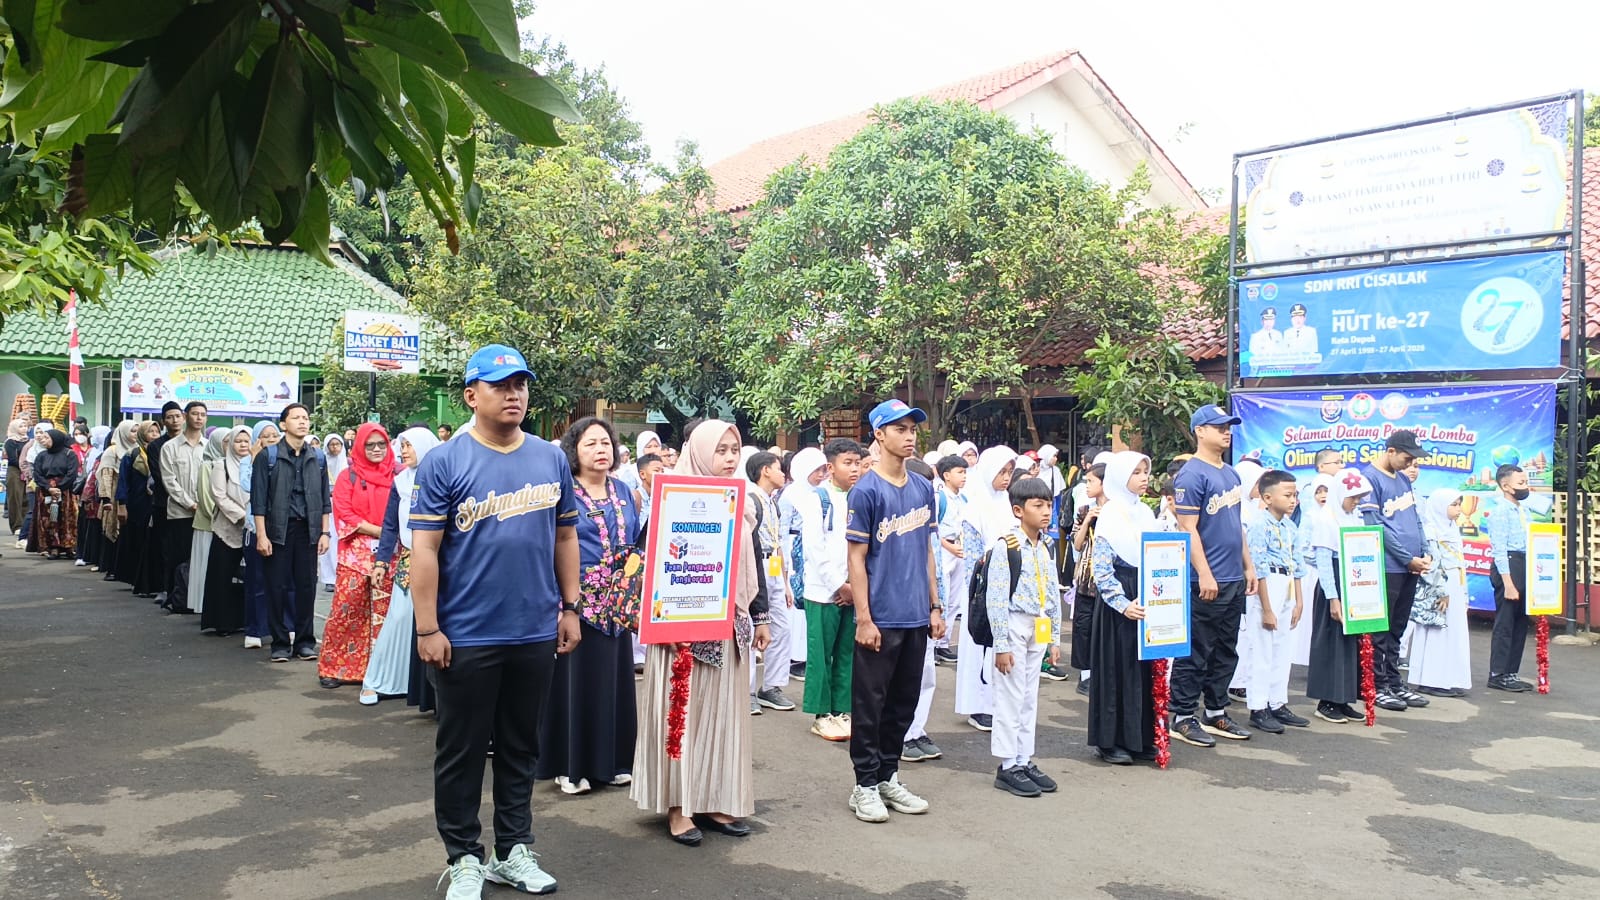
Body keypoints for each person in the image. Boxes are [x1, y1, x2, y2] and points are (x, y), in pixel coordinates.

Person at [410, 346, 579, 896]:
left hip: (533, 629)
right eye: (501, 385)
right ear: (471, 395)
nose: (514, 394)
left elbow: (565, 535)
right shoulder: (445, 460)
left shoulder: (550, 458)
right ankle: (463, 856)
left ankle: (513, 849)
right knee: (460, 749)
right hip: (465, 635)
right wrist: (427, 627)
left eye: (521, 384)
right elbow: (426, 550)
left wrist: (570, 607)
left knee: (520, 746)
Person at [632, 419, 770, 848]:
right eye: (721, 450)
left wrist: (760, 615)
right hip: (681, 631)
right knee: (684, 718)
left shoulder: (745, 503)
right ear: (698, 451)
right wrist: (663, 621)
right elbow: (645, 561)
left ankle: (711, 799)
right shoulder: (671, 498)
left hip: (730, 625)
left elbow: (755, 563)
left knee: (723, 717)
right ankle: (678, 806)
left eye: (735, 450)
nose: (730, 459)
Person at [844, 400, 942, 823]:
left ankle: (888, 775)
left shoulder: (923, 489)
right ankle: (864, 784)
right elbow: (856, 558)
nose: (910, 435)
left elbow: (928, 552)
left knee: (903, 705)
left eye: (913, 428)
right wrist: (864, 618)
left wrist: (936, 606)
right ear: (879, 435)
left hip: (916, 614)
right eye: (899, 428)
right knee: (870, 705)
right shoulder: (865, 490)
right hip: (880, 617)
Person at [537, 416, 641, 794]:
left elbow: (637, 539)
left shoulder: (624, 491)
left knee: (614, 684)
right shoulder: (563, 490)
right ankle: (571, 766)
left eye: (605, 443)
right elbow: (553, 543)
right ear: (574, 451)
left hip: (618, 604)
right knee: (575, 684)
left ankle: (613, 761)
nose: (601, 450)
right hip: (577, 602)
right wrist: (562, 602)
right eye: (590, 444)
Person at [1170, 404, 1258, 747]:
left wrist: (1249, 566)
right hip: (1205, 580)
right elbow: (1187, 528)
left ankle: (1216, 710)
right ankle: (1182, 715)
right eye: (1219, 426)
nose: (1226, 431)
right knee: (1196, 650)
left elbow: (1237, 526)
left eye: (1229, 426)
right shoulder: (1192, 474)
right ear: (1200, 431)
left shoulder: (1232, 474)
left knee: (1226, 649)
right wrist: (1204, 573)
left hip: (1234, 577)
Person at [984, 476, 1062, 794]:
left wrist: (1054, 637)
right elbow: (996, 598)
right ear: (1018, 510)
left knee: (1029, 697)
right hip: (1015, 624)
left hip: (1038, 625)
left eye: (1048, 505)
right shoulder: (1007, 546)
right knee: (1010, 697)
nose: (1046, 512)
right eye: (1038, 505)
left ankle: (1023, 757)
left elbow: (1053, 594)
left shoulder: (1045, 545)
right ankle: (1007, 765)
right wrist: (1001, 644)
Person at [1087, 451, 1161, 765]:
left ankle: (1140, 737)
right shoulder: (1111, 513)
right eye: (1137, 472)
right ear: (1120, 478)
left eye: (1146, 471)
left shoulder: (1145, 512)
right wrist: (1122, 604)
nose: (1144, 477)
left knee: (1142, 670)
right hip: (1119, 604)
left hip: (1145, 596)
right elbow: (1101, 570)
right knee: (1116, 670)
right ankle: (1111, 741)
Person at [363, 426, 443, 705]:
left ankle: (429, 690)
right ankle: (381, 680)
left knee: (436, 622)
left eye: (409, 445)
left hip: (443, 560)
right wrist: (382, 562)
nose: (403, 451)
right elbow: (390, 525)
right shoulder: (400, 482)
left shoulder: (444, 478)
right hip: (410, 559)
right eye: (403, 446)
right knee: (399, 618)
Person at [251, 403, 332, 663]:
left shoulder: (317, 457)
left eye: (305, 417)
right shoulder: (269, 456)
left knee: (307, 587)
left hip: (308, 530)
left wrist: (325, 532)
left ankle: (305, 642)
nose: (302, 422)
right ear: (284, 424)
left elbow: (324, 498)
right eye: (295, 417)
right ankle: (280, 643)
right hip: (278, 530)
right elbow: (259, 499)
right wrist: (261, 535)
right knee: (277, 586)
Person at [1358, 429, 1432, 711]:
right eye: (1407, 456)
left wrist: (1423, 551)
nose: (1411, 462)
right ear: (1390, 451)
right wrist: (1405, 557)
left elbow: (1415, 518)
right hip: (1387, 565)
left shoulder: (1402, 478)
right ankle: (1376, 686)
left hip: (1410, 564)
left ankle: (1393, 681)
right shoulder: (1370, 477)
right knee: (1380, 628)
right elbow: (1374, 525)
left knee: (1398, 628)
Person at [318, 423, 396, 688]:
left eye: (381, 444)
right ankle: (335, 669)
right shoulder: (347, 476)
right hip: (355, 554)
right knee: (346, 610)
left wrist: (389, 536)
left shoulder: (399, 475)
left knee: (385, 616)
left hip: (390, 555)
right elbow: (345, 513)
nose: (376, 450)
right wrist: (381, 530)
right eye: (369, 445)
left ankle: (380, 673)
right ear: (359, 447)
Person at [798, 438, 865, 742]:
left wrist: (855, 586)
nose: (854, 469)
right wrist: (840, 585)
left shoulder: (860, 497)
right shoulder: (817, 499)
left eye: (857, 463)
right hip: (823, 591)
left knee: (846, 652)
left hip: (854, 589)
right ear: (830, 467)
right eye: (847, 463)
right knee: (821, 653)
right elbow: (815, 548)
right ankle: (821, 713)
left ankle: (842, 710)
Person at [1242, 470, 1309, 734]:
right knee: (1262, 649)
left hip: (1288, 584)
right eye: (1288, 495)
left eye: (1295, 495)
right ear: (1267, 497)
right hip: (1267, 586)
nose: (1293, 500)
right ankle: (1258, 707)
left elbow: (1298, 564)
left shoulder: (1289, 526)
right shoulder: (1258, 524)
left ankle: (1277, 701)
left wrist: (1298, 601)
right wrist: (1267, 608)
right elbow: (1258, 567)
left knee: (1283, 648)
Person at [958, 446, 1018, 732]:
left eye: (1009, 472)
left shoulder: (1008, 503)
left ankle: (998, 703)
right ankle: (978, 705)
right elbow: (972, 556)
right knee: (980, 643)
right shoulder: (974, 506)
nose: (1005, 478)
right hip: (981, 586)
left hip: (1008, 582)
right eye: (1001, 472)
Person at [1306, 469, 1371, 723]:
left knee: (1348, 643)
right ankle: (1326, 701)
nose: (1356, 501)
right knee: (1330, 641)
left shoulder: (1353, 517)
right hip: (1333, 584)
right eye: (1353, 496)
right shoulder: (1326, 519)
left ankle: (1343, 698)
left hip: (1352, 582)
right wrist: (1333, 598)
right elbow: (1323, 561)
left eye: (1359, 497)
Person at [746, 450, 798, 715]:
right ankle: (749, 690)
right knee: (754, 629)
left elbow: (777, 543)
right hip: (755, 566)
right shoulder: (750, 500)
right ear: (765, 470)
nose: (783, 474)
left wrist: (785, 583)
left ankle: (772, 686)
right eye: (779, 468)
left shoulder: (772, 501)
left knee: (782, 627)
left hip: (774, 568)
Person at [1408, 489, 1470, 697]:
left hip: (1455, 582)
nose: (1458, 509)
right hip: (1439, 586)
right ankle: (1430, 680)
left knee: (1451, 632)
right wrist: (1442, 591)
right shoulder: (1431, 530)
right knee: (1436, 631)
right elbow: (1433, 562)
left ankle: (1446, 678)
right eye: (1454, 505)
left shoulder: (1451, 528)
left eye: (1459, 504)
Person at [780, 447, 827, 684]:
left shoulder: (821, 494)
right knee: (795, 605)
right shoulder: (790, 495)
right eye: (816, 470)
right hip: (793, 549)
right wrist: (785, 565)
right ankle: (794, 659)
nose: (820, 475)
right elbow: (782, 528)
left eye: (822, 470)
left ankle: (807, 657)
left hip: (813, 550)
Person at [200, 426, 253, 636]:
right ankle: (222, 622)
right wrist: (243, 516)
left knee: (250, 578)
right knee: (223, 576)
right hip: (227, 529)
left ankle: (247, 621)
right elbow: (219, 496)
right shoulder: (220, 465)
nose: (242, 445)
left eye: (246, 441)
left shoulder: (256, 464)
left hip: (254, 529)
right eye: (238, 441)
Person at [1486, 465, 1535, 692]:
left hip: (1524, 563)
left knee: (1520, 622)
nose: (1525, 487)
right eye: (1520, 483)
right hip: (1508, 565)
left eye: (1525, 482)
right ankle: (1497, 673)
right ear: (1506, 486)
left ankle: (1511, 672)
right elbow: (1499, 549)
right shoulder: (1500, 511)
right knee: (1505, 622)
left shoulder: (1523, 510)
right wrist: (1508, 583)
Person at [159, 401, 208, 613]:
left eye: (202, 415)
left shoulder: (208, 447)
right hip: (180, 512)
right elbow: (169, 482)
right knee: (178, 557)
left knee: (200, 558)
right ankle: (176, 598)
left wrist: (204, 505)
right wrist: (190, 504)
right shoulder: (170, 447)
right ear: (185, 416)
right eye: (194, 414)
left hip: (206, 514)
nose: (198, 418)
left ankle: (197, 600)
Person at [239, 421, 282, 649]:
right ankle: (254, 630)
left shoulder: (284, 459)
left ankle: (286, 628)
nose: (272, 439)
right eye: (266, 436)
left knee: (285, 583)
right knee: (256, 582)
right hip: (255, 529)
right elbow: (248, 485)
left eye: (275, 435)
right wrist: (255, 458)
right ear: (258, 440)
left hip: (281, 528)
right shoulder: (248, 460)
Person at [1069, 463, 1107, 696]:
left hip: (1108, 581)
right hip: (1086, 578)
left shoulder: (1119, 511)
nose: (1087, 485)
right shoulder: (1084, 510)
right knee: (1084, 627)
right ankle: (1085, 675)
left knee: (1105, 629)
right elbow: (1077, 543)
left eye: (1091, 481)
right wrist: (1087, 520)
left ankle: (1103, 673)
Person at [185, 428, 229, 618]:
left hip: (227, 527)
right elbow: (206, 498)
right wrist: (224, 516)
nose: (228, 445)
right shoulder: (208, 465)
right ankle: (202, 604)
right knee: (205, 566)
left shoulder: (234, 465)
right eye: (225, 441)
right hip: (209, 525)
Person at [117, 422, 163, 597]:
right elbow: (123, 482)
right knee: (137, 540)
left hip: (155, 502)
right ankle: (136, 579)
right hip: (137, 504)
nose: (154, 434)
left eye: (156, 431)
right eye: (150, 431)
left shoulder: (161, 451)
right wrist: (122, 505)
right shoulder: (132, 454)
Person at [145, 402, 184, 606]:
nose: (174, 420)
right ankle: (163, 587)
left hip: (191, 505)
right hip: (164, 502)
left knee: (183, 549)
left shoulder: (194, 442)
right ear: (163, 421)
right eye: (170, 417)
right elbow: (160, 475)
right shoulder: (155, 446)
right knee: (164, 547)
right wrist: (180, 493)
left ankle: (182, 588)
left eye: (177, 416)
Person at [931, 454, 968, 665]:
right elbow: (933, 528)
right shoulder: (940, 497)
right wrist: (949, 546)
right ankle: (934, 642)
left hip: (959, 549)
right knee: (942, 596)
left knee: (955, 599)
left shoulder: (963, 499)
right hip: (945, 549)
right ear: (946, 475)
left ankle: (944, 643)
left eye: (964, 472)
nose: (964, 476)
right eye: (959, 472)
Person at [28, 428, 79, 559]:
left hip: (65, 491)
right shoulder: (42, 456)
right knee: (50, 519)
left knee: (67, 518)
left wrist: (59, 488)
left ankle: (68, 546)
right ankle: (53, 547)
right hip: (46, 492)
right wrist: (48, 487)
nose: (44, 440)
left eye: (47, 438)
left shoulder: (69, 454)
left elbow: (71, 473)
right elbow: (37, 474)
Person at [96, 421, 136, 580]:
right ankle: (111, 568)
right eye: (132, 431)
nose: (134, 435)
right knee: (112, 531)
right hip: (113, 497)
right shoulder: (112, 451)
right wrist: (106, 499)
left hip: (129, 495)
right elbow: (105, 476)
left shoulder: (137, 451)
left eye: (137, 431)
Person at [76, 425, 111, 569]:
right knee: (91, 527)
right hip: (93, 495)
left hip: (100, 495)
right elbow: (88, 474)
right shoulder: (94, 453)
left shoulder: (108, 453)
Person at [319, 433, 349, 591]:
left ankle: (341, 575)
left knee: (341, 540)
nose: (335, 447)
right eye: (332, 444)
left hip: (343, 506)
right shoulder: (321, 463)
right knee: (327, 540)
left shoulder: (347, 464)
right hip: (327, 506)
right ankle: (329, 578)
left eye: (338, 444)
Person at [6, 414, 31, 537]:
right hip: (15, 471)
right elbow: (12, 458)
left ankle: (26, 525)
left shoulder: (29, 441)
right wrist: (23, 467)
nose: (24, 428)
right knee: (15, 498)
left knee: (26, 498)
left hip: (27, 471)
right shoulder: (11, 441)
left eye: (25, 426)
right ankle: (17, 525)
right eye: (21, 426)